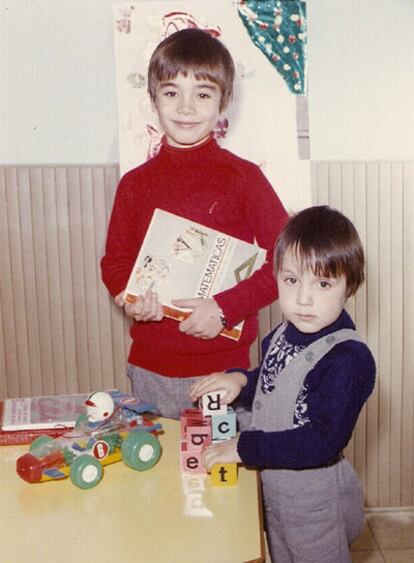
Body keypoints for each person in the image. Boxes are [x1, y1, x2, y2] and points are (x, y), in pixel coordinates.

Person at [101, 28, 287, 419]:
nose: (186, 108)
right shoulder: (134, 184)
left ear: (223, 101)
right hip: (149, 370)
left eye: (202, 94)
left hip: (224, 371)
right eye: (171, 92)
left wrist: (223, 308)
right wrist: (131, 298)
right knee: (155, 475)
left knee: (222, 476)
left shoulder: (244, 177)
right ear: (153, 99)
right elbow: (115, 264)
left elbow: (285, 261)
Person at [190, 205, 376, 563]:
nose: (304, 299)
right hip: (275, 495)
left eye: (323, 284)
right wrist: (241, 379)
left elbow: (322, 440)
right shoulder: (281, 335)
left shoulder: (349, 359)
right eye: (292, 280)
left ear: (349, 287)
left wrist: (244, 447)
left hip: (314, 503)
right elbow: (274, 380)